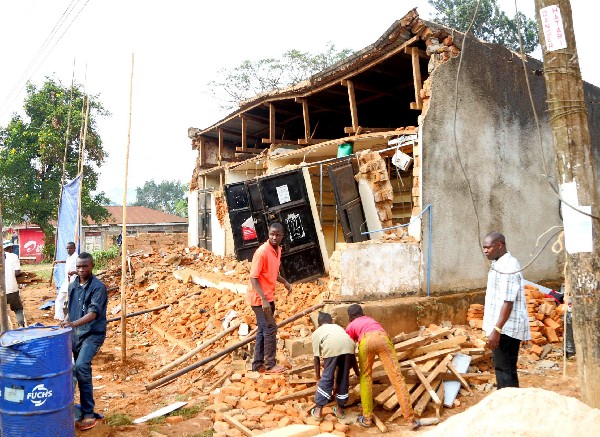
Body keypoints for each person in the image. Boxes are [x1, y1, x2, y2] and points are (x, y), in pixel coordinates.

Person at [345, 304, 419, 430]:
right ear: (362, 313)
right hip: (382, 338)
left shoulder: (351, 325)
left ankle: (367, 418)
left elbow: (347, 344)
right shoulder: (371, 320)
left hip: (365, 341)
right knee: (397, 378)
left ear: (350, 317)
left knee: (366, 378)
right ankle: (410, 420)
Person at [60, 252, 107, 431]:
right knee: (69, 370)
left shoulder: (98, 287)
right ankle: (66, 408)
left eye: (84, 266)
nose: (81, 270)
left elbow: (93, 313)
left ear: (92, 266)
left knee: (81, 367)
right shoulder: (73, 286)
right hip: (76, 334)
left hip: (92, 335)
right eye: (78, 266)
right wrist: (66, 320)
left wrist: (73, 323)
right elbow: (70, 308)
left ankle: (88, 412)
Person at [482, 232, 531, 389]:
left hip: (506, 329)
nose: (485, 251)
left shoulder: (508, 267)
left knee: (504, 370)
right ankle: (511, 402)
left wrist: (497, 330)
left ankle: (508, 405)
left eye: (488, 247)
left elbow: (508, 302)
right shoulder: (499, 263)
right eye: (484, 247)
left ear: (499, 245)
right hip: (502, 327)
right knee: (505, 369)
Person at [246, 222, 292, 374]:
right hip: (259, 299)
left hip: (268, 296)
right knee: (271, 328)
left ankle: (257, 364)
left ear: (282, 236)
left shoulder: (278, 250)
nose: (274, 237)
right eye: (272, 234)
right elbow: (253, 277)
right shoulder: (262, 252)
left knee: (263, 330)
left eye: (277, 235)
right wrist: (263, 299)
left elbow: (271, 272)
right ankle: (270, 364)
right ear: (268, 233)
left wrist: (284, 282)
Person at [310, 312, 359, 421]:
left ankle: (318, 411)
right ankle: (340, 410)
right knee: (343, 377)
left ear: (319, 324)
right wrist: (357, 373)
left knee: (327, 376)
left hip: (332, 346)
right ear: (331, 321)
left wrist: (318, 378)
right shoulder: (338, 328)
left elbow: (316, 358)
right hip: (349, 347)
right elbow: (353, 358)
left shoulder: (317, 332)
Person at [53, 241, 78, 320]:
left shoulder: (77, 258)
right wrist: (59, 262)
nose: (68, 250)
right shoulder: (69, 257)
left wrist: (74, 272)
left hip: (74, 282)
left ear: (74, 248)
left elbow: (82, 270)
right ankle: (60, 317)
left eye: (70, 248)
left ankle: (71, 318)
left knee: (72, 301)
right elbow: (67, 261)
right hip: (67, 281)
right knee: (60, 298)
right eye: (67, 248)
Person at [3, 241, 24, 327]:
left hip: (2, 290)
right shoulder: (14, 256)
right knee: (18, 309)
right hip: (12, 289)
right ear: (11, 248)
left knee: (2, 311)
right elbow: (17, 273)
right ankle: (21, 326)